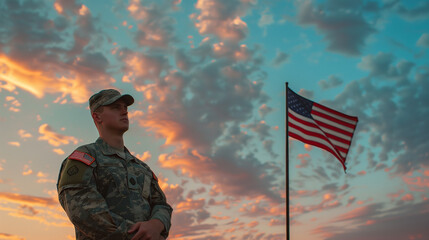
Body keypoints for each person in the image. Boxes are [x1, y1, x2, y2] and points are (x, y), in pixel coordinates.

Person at [57, 89, 173, 240]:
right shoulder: (85, 158)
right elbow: (83, 211)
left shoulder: (141, 167)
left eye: (125, 108)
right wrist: (140, 236)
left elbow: (161, 205)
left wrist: (156, 224)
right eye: (116, 107)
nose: (124, 112)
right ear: (97, 116)